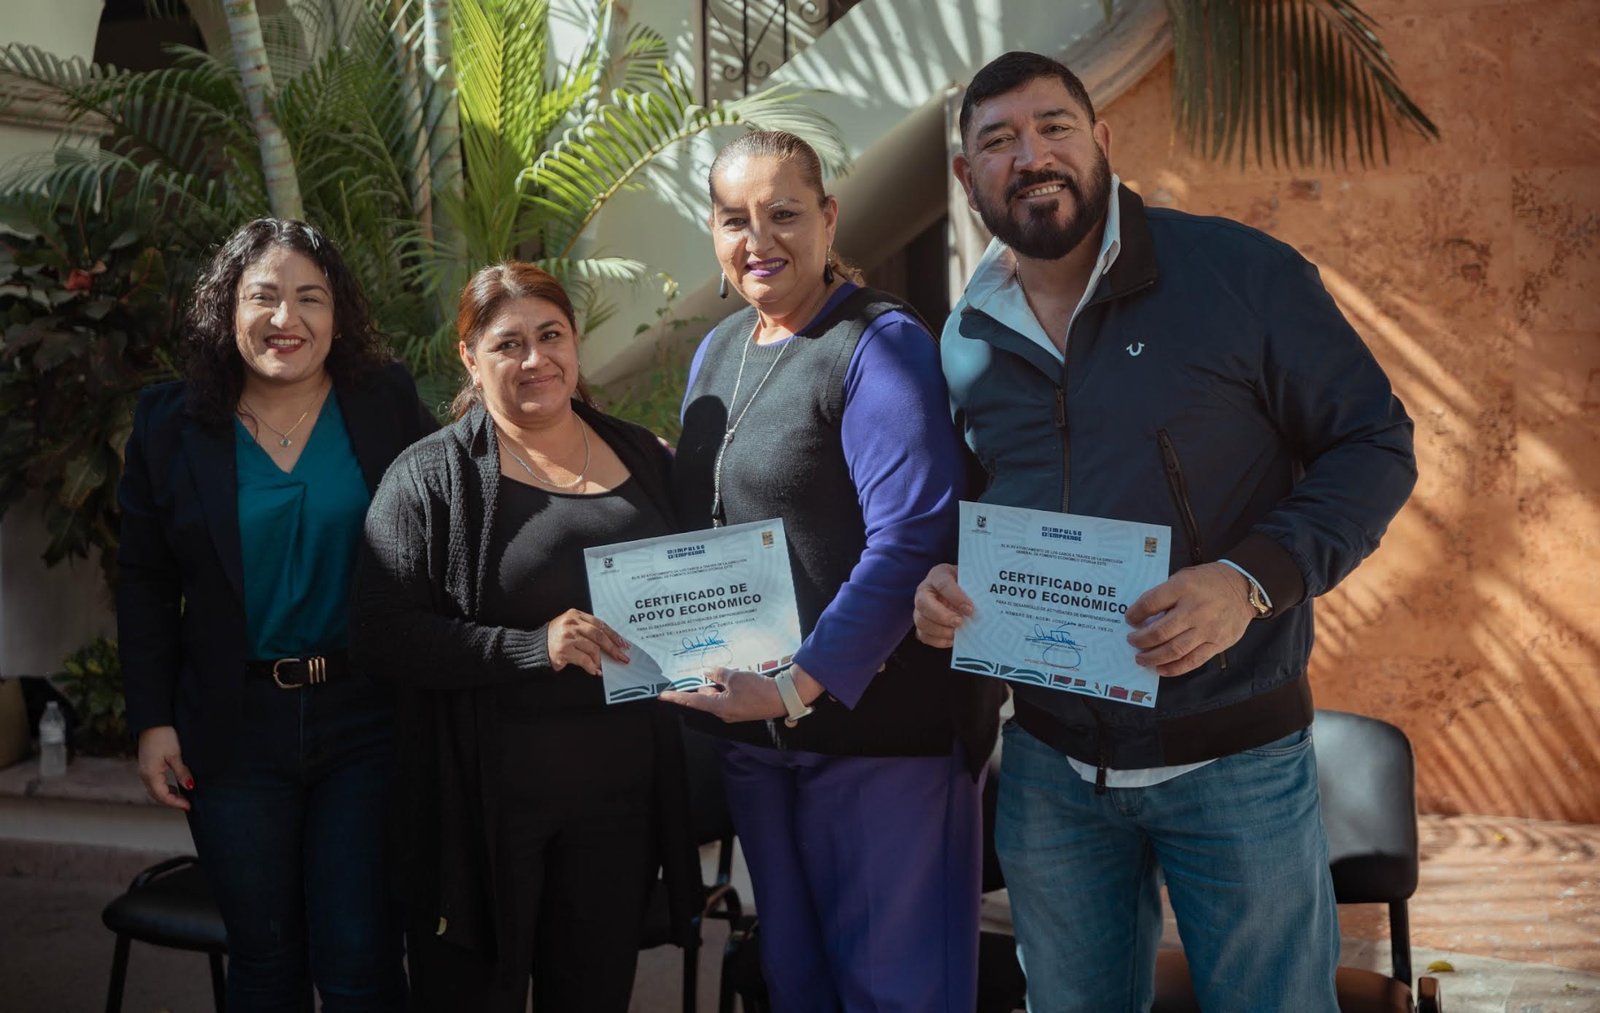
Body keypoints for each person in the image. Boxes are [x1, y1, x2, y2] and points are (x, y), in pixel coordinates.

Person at [912, 52, 1419, 1012]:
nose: (1031, 155)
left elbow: (1375, 443)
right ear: (966, 176)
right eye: (999, 140)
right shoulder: (965, 335)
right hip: (1051, 769)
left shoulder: (1240, 274)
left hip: (1237, 763)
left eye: (1055, 127)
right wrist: (944, 582)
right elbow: (981, 504)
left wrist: (1249, 579)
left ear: (1102, 140)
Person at [663, 130, 1003, 1013]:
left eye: (783, 213)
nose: (759, 239)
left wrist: (794, 685)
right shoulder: (719, 349)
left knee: (895, 993)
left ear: (829, 217)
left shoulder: (879, 344)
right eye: (735, 219)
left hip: (881, 743)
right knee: (796, 985)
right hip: (758, 743)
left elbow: (912, 536)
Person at [351, 262, 698, 1013]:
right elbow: (381, 632)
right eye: (508, 344)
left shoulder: (640, 454)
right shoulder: (428, 477)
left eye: (551, 336)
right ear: (470, 358)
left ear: (575, 343)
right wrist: (531, 648)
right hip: (485, 811)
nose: (535, 359)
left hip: (619, 801)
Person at [118, 218, 434, 1011]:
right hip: (233, 729)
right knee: (263, 959)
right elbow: (144, 581)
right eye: (263, 297)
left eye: (309, 298)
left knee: (361, 960)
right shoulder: (168, 423)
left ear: (339, 315)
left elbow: (461, 508)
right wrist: (152, 719)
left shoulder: (384, 401)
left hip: (366, 718)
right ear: (226, 310)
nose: (285, 318)